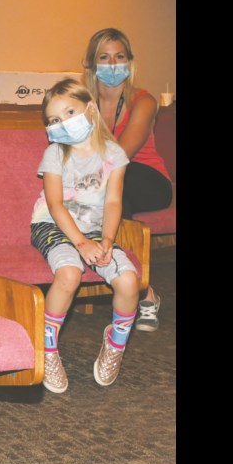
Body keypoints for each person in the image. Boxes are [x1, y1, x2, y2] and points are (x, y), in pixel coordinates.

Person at [31, 79, 140, 394]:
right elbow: (54, 205)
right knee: (69, 272)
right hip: (52, 224)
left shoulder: (114, 154)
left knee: (129, 281)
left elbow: (114, 201)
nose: (63, 123)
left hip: (94, 229)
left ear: (90, 108)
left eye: (69, 112)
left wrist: (106, 239)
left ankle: (115, 346)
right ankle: (47, 349)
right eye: (54, 120)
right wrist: (80, 243)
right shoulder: (55, 153)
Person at [83, 28, 170, 331]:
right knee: (115, 203)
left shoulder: (143, 101)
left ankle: (135, 290)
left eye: (119, 56)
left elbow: (122, 155)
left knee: (116, 188)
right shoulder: (83, 105)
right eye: (104, 57)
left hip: (148, 179)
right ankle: (143, 291)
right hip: (108, 185)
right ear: (92, 65)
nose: (112, 63)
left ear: (130, 62)